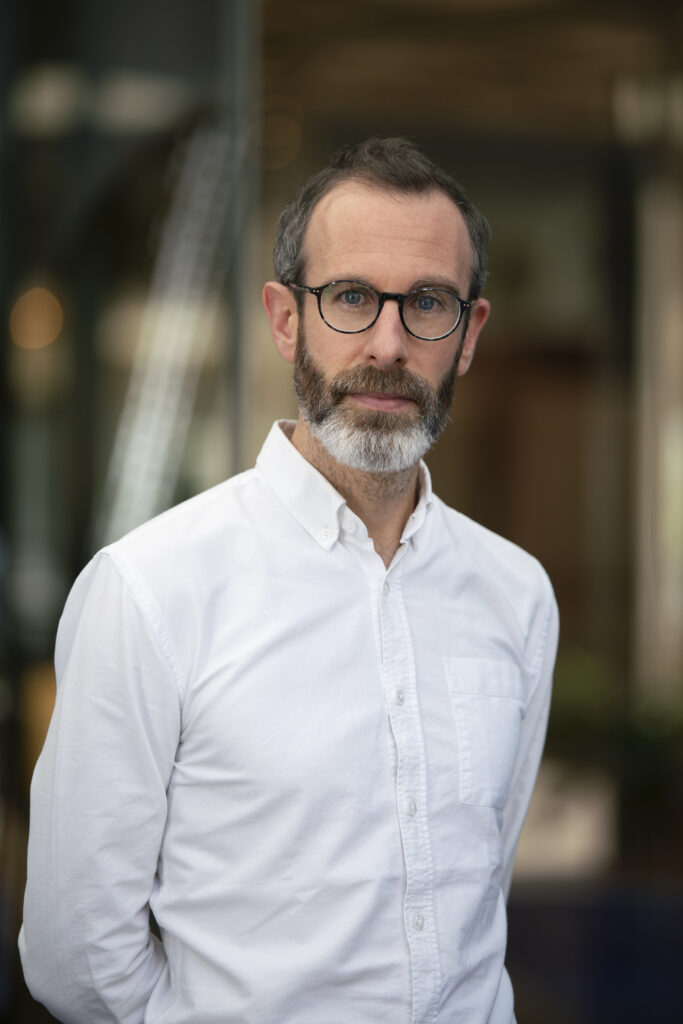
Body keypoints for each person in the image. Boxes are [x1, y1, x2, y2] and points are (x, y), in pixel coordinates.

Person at [20, 137, 558, 1024]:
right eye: (350, 297)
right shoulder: (150, 590)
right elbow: (74, 954)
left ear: (468, 336)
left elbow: (480, 884)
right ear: (283, 319)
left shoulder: (517, 594)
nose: (387, 344)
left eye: (428, 303)